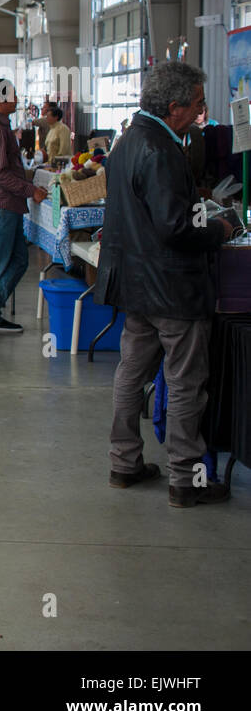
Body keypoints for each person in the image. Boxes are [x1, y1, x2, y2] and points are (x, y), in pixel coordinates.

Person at [97, 62, 234, 507]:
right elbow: (175, 228)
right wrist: (219, 230)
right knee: (185, 382)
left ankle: (124, 462)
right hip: (171, 288)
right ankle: (185, 479)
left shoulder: (126, 141)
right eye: (196, 105)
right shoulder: (160, 149)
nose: (201, 113)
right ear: (173, 108)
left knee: (131, 374)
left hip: (133, 285)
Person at [0, 79, 47, 335]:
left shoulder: (0, 126)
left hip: (6, 203)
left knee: (17, 258)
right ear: (1, 100)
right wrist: (31, 190)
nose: (16, 98)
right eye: (13, 95)